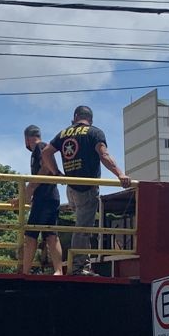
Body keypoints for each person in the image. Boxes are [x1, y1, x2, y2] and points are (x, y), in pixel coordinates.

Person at [40, 104, 132, 276]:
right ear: (90, 119)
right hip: (87, 188)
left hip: (71, 188)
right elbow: (103, 155)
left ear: (75, 117)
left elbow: (46, 153)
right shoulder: (94, 132)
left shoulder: (63, 133)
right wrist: (120, 174)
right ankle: (78, 268)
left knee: (84, 226)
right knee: (83, 228)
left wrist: (57, 173)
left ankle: (84, 264)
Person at [18, 124, 64, 275]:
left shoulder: (40, 147)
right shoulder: (43, 147)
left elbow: (45, 168)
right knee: (51, 235)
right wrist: (23, 195)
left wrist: (29, 190)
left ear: (27, 139)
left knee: (30, 235)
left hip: (43, 197)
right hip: (51, 197)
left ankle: (25, 271)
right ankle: (58, 270)